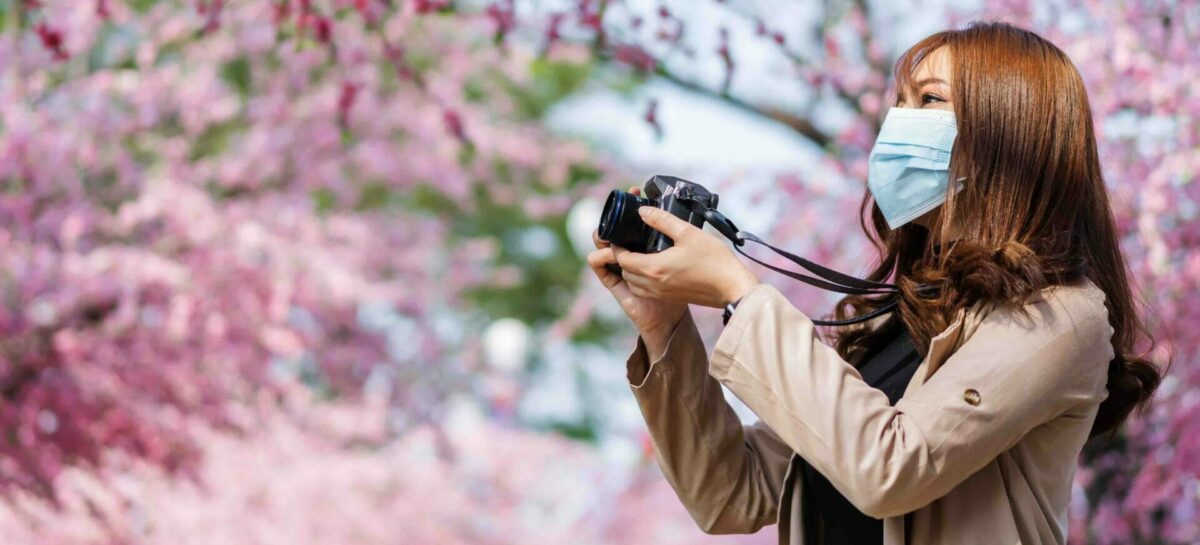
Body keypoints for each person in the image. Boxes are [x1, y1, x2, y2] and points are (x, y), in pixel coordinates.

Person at [586, 22, 1164, 545]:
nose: (898, 123)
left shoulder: (1062, 317)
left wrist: (742, 293)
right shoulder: (901, 320)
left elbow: (890, 469)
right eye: (900, 104)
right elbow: (730, 494)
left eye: (929, 100)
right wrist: (664, 328)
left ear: (1008, 132)